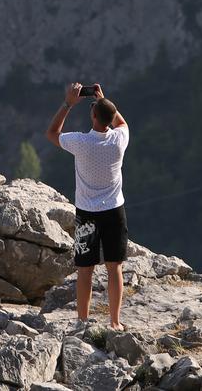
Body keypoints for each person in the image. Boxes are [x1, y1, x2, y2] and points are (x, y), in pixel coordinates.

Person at [46, 82, 130, 330]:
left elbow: (52, 133)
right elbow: (121, 124)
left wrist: (68, 104)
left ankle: (82, 321)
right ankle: (114, 322)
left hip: (87, 213)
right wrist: (105, 102)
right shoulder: (119, 140)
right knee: (115, 267)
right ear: (110, 118)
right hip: (114, 211)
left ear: (93, 116)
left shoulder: (80, 143)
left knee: (85, 270)